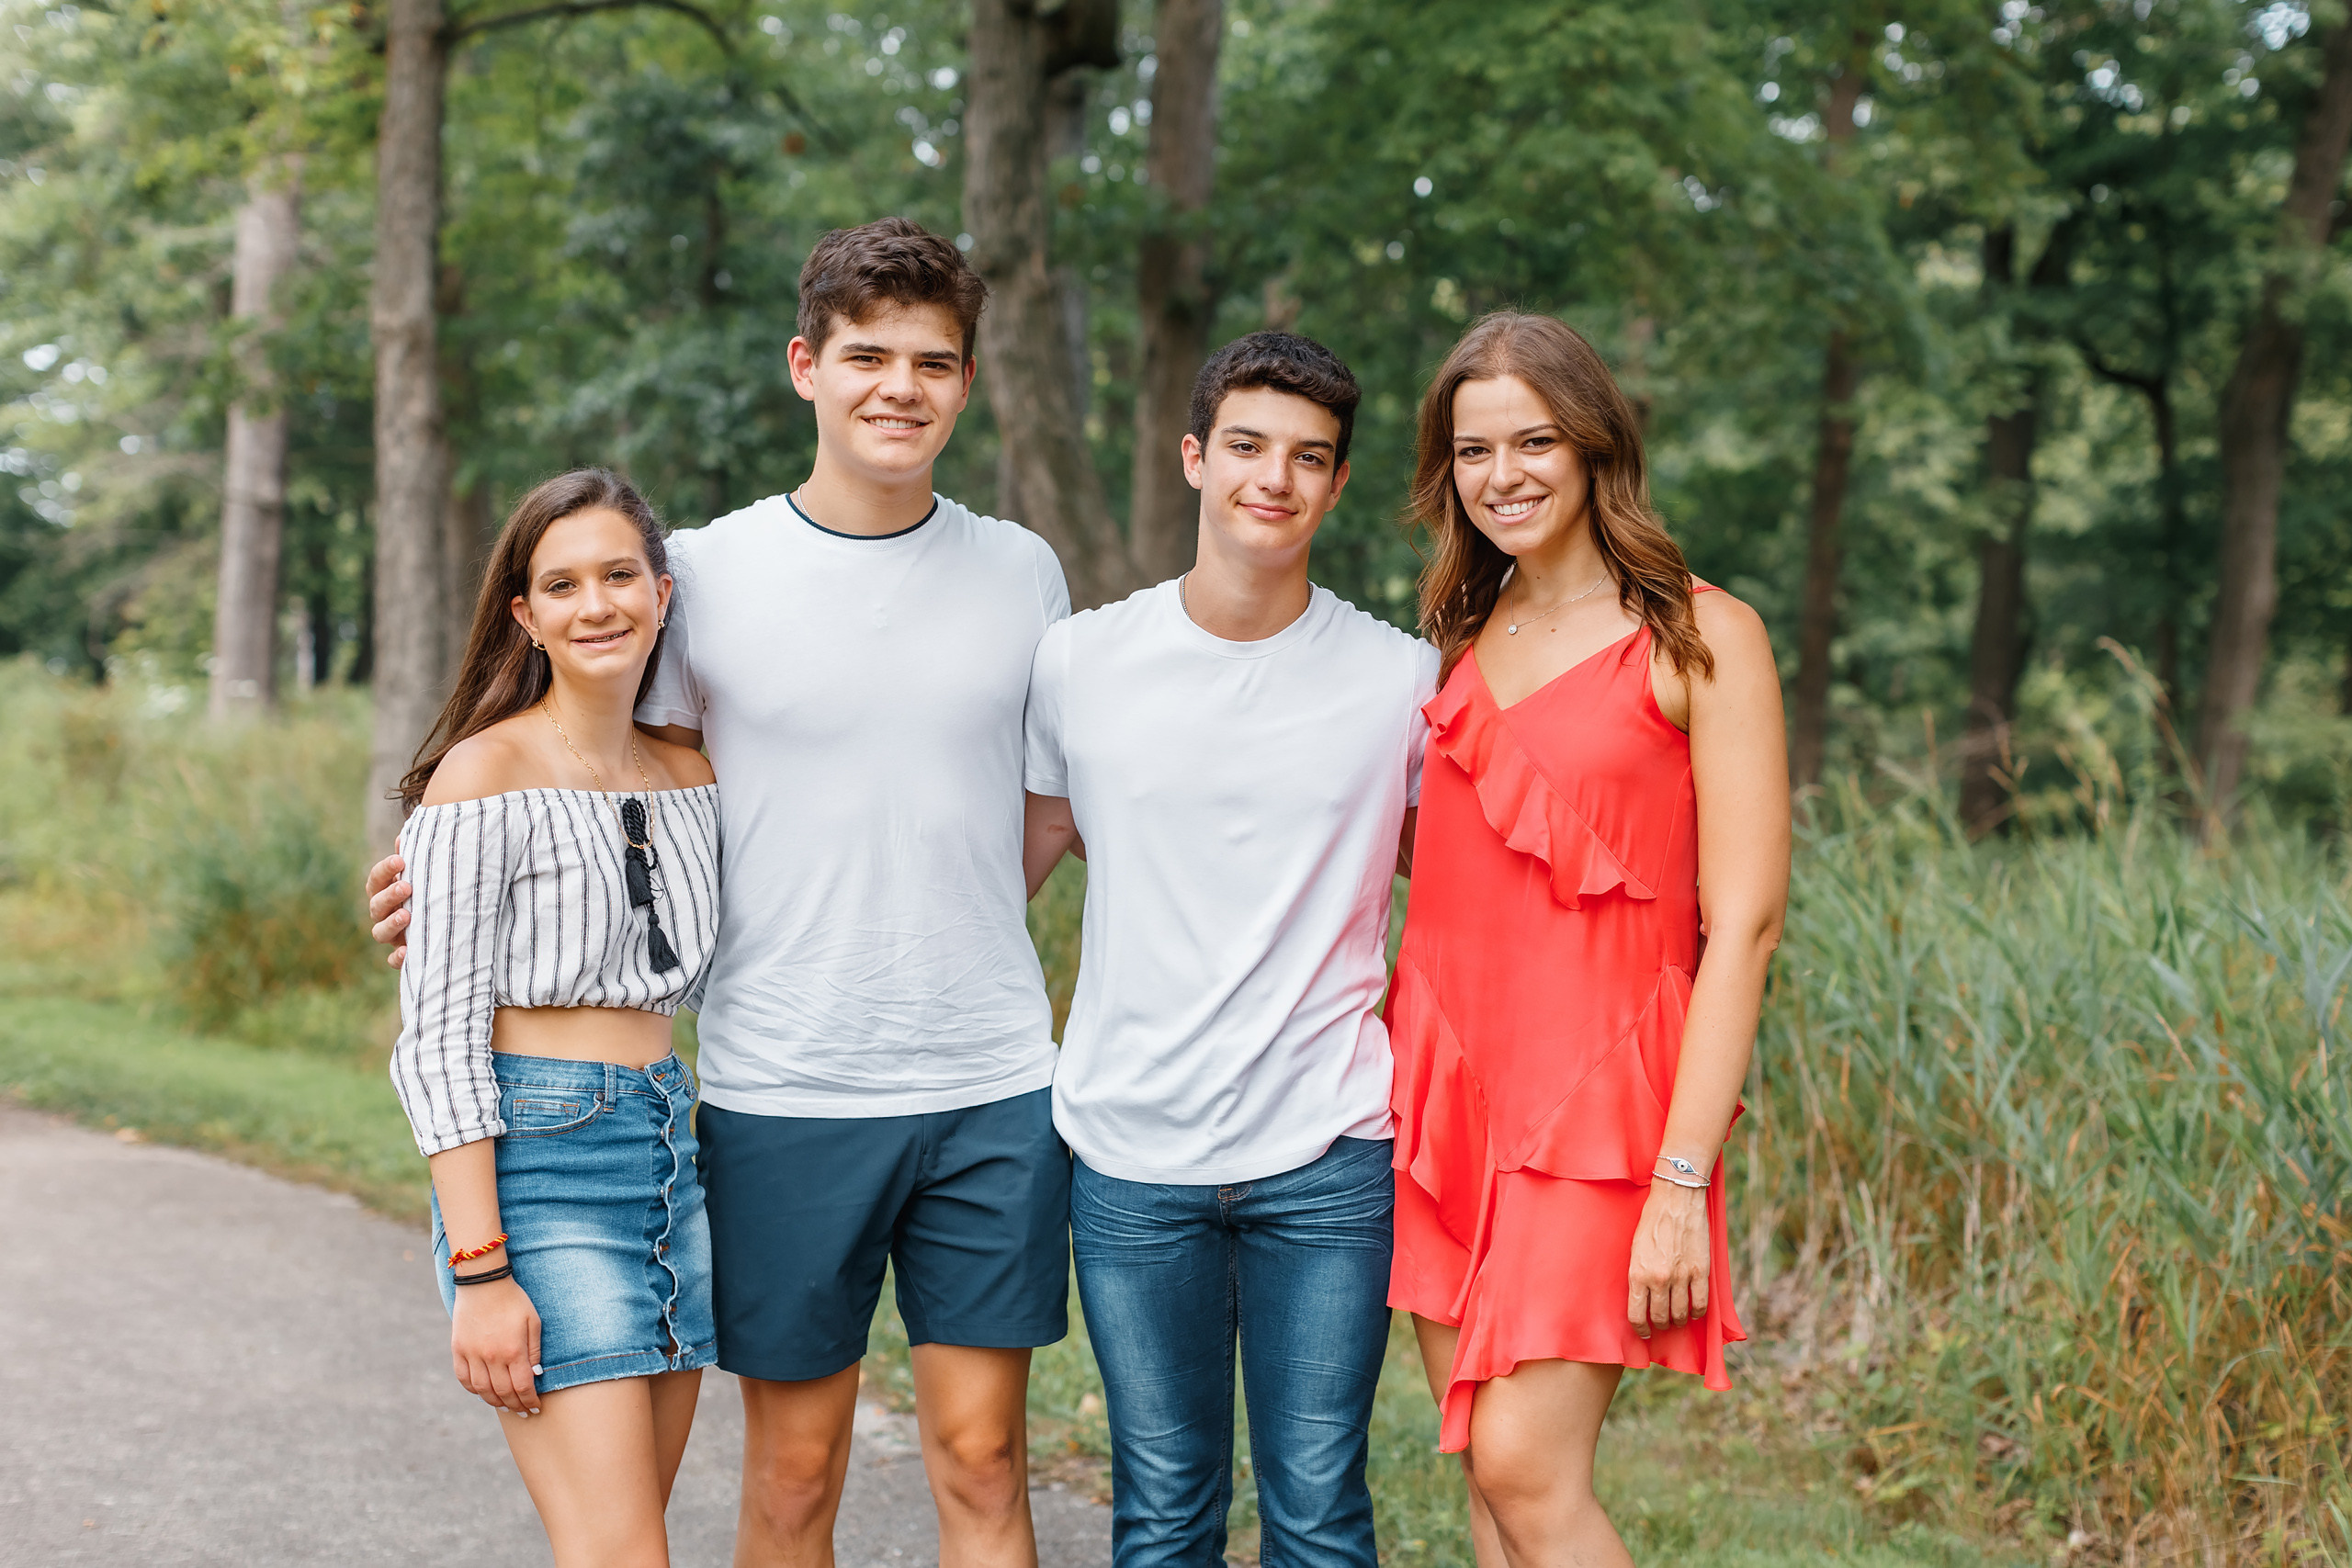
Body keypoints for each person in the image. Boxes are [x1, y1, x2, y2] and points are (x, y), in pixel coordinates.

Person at [368, 219, 1071, 1568]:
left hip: (989, 1075)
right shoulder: (710, 573)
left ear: (968, 383)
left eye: (934, 361)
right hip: (780, 1086)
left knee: (985, 1460)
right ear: (807, 364)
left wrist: (948, 911)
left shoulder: (1023, 570)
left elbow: (1049, 799)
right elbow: (606, 759)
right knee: (795, 1475)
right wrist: (451, 878)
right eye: (867, 354)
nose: (900, 387)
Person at [1023, 333, 1437, 1568]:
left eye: (1312, 458)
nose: (1277, 478)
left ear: (1339, 484)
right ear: (1196, 456)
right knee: (1163, 1507)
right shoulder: (1082, 660)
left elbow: (1477, 884)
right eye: (1250, 446)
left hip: (1328, 1152)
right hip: (1131, 1150)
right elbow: (1007, 858)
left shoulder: (1396, 679)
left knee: (1317, 1505)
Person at [1385, 312, 1789, 1565]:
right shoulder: (1459, 634)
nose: (1501, 473)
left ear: (1595, 443)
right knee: (1487, 1476)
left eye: (1534, 440)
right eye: (1471, 449)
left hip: (1605, 1118)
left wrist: (1681, 1179)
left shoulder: (1703, 634)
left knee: (1526, 1461)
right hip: (1447, 1103)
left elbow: (1749, 925)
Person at [389, 467, 722, 1567]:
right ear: (525, 616)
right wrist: (481, 1272)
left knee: (625, 1542)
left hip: (673, 1153)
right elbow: (437, 1039)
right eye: (564, 584)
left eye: (620, 575)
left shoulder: (692, 773)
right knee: (623, 1553)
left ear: (662, 592)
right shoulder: (483, 774)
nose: (598, 606)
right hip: (543, 1165)